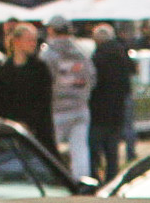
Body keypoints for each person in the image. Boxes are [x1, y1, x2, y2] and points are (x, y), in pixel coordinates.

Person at [41, 15, 94, 179]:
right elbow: (92, 77)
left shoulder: (47, 54)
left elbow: (43, 81)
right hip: (80, 107)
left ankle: (53, 180)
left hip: (56, 109)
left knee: (49, 150)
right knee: (80, 150)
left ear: (51, 30)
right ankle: (83, 181)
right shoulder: (82, 52)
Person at [0, 21, 55, 152]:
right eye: (29, 40)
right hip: (10, 132)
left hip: (38, 131)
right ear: (17, 41)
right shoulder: (4, 71)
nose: (33, 44)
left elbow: (43, 100)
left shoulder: (40, 69)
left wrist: (29, 122)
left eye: (34, 40)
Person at [88, 23, 132, 184]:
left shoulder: (97, 57)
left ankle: (94, 176)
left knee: (95, 146)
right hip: (117, 108)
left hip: (99, 109)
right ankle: (112, 177)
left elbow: (93, 83)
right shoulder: (122, 54)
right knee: (112, 149)